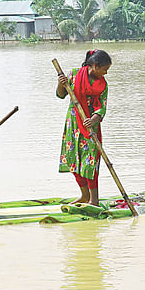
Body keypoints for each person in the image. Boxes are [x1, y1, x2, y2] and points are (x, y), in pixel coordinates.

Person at [56, 49, 112, 206]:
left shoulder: (102, 84)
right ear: (94, 66)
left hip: (90, 127)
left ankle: (94, 200)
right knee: (73, 159)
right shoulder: (74, 75)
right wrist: (61, 84)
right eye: (104, 70)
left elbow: (102, 108)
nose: (105, 73)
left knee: (90, 162)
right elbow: (61, 95)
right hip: (73, 124)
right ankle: (84, 195)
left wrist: (92, 120)